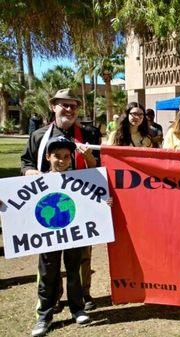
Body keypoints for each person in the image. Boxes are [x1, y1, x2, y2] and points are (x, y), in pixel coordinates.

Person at [21, 89, 99, 313]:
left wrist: (90, 158)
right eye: (64, 105)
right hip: (49, 202)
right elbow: (26, 161)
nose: (69, 110)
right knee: (48, 256)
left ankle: (83, 294)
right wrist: (29, 173)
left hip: (80, 200)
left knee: (82, 252)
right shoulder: (39, 135)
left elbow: (100, 170)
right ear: (53, 106)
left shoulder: (89, 133)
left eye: (73, 106)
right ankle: (51, 298)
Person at [29, 136, 93, 336]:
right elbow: (21, 205)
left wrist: (103, 203)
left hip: (73, 235)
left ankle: (77, 308)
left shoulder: (79, 180)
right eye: (57, 156)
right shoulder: (36, 181)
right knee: (48, 273)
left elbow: (93, 201)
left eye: (66, 156)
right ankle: (44, 316)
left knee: (74, 270)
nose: (62, 161)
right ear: (48, 157)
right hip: (48, 236)